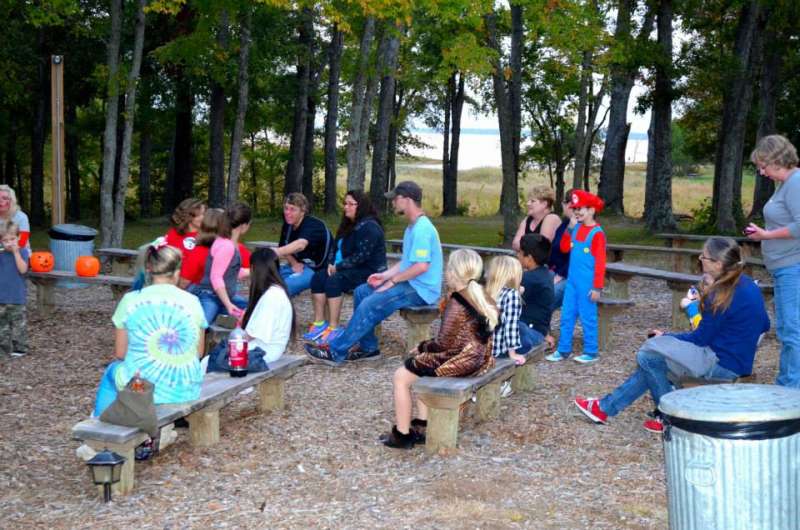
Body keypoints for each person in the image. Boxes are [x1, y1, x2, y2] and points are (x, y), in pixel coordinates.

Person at [574, 237, 770, 433]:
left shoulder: (720, 295)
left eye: (704, 256)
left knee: (648, 357)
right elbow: (764, 324)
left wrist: (667, 336)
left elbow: (700, 339)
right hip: (738, 361)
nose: (700, 259)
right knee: (654, 362)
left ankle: (669, 417)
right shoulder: (748, 285)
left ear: (718, 264)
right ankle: (604, 408)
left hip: (720, 364)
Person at [304, 181, 443, 365]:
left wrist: (393, 281)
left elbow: (421, 267)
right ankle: (369, 348)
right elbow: (407, 262)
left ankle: (336, 351)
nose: (393, 203)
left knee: (370, 304)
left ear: (407, 199)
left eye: (395, 199)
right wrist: (384, 276)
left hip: (421, 290)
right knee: (363, 291)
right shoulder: (412, 227)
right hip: (411, 283)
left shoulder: (422, 229)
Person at [381, 249, 498, 449]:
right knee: (421, 373)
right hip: (478, 358)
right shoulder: (481, 295)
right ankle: (423, 427)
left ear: (452, 272)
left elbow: (443, 344)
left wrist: (422, 346)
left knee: (401, 376)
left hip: (460, 361)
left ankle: (402, 435)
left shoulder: (457, 301)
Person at [93, 242, 207, 417]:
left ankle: (101, 425)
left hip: (143, 389)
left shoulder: (130, 300)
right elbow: (198, 352)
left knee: (112, 371)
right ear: (177, 272)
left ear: (148, 269)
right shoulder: (193, 301)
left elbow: (121, 353)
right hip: (186, 388)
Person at [747, 134, 800, 388]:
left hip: (793, 268)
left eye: (763, 165)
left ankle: (791, 388)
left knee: (792, 331)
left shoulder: (797, 182)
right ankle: (788, 383)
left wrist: (767, 235)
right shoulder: (786, 184)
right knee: (787, 330)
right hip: (783, 268)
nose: (761, 171)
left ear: (776, 160)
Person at [304, 190, 387, 343]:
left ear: (360, 206)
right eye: (345, 203)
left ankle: (335, 328)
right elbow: (335, 248)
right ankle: (320, 323)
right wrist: (330, 263)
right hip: (348, 268)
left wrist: (339, 267)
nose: (346, 207)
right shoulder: (349, 224)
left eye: (351, 204)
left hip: (368, 272)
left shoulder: (370, 227)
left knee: (334, 280)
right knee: (318, 277)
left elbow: (362, 256)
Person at [207, 248, 295, 372]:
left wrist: (238, 330)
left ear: (254, 269)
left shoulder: (271, 297)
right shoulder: (276, 292)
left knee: (208, 361)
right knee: (214, 357)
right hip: (268, 349)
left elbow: (252, 335)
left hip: (263, 352)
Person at [547, 190, 606, 364]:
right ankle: (563, 349)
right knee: (567, 315)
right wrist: (570, 228)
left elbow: (601, 263)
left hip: (587, 284)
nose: (577, 212)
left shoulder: (597, 234)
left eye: (581, 208)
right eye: (575, 208)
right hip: (572, 282)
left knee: (588, 317)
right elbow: (564, 248)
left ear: (592, 210)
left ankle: (591, 351)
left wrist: (597, 287)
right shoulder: (576, 227)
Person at [190, 204, 251, 325]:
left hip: (224, 296)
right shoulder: (226, 246)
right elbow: (216, 276)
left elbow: (229, 271)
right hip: (209, 295)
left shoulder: (231, 243)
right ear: (243, 226)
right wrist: (228, 304)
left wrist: (251, 272)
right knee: (202, 324)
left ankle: (223, 315)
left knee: (252, 310)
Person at [274, 193, 333, 297]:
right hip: (300, 265)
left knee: (282, 288)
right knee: (267, 279)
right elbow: (284, 246)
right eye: (286, 208)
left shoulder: (313, 225)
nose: (287, 212)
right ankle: (248, 306)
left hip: (318, 270)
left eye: (292, 209)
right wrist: (294, 263)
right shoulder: (288, 225)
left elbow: (300, 244)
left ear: (303, 211)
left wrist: (274, 252)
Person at [518, 234, 555, 351]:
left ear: (529, 258)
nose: (517, 255)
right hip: (539, 330)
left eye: (519, 252)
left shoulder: (529, 279)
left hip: (530, 332)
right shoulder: (545, 273)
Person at [0, 222, 30, 357]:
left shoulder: (23, 252)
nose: (9, 243)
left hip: (17, 297)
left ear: (18, 238)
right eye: (5, 240)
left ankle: (20, 348)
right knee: (2, 325)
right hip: (1, 297)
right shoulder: (1, 255)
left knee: (18, 325)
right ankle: (3, 348)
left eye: (12, 239)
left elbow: (23, 270)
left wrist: (16, 252)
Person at [512, 186, 562, 251]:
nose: (527, 203)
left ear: (544, 204)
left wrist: (523, 245)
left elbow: (542, 246)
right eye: (528, 201)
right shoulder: (527, 219)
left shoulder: (551, 218)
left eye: (532, 201)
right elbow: (515, 244)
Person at [549, 190, 576, 311]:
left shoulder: (583, 228)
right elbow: (555, 249)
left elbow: (574, 257)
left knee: (547, 296)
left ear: (571, 205)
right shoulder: (564, 225)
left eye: (564, 202)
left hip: (571, 276)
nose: (562, 205)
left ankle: (535, 327)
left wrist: (561, 275)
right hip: (555, 271)